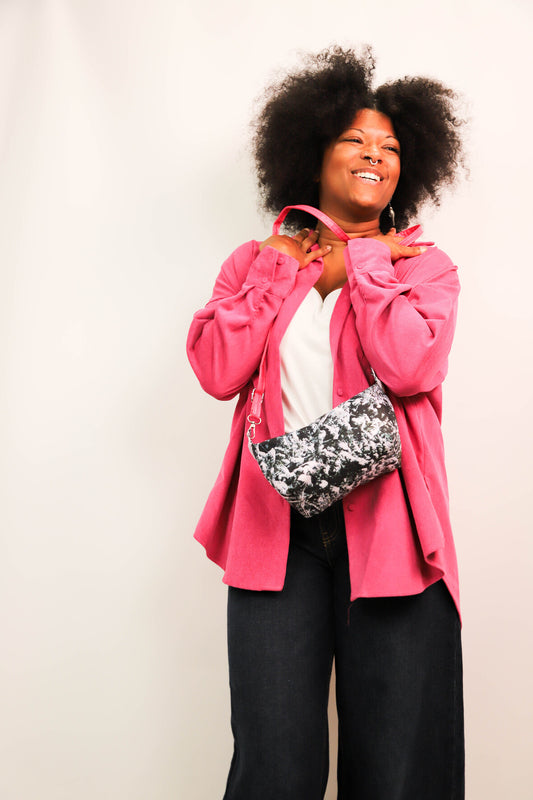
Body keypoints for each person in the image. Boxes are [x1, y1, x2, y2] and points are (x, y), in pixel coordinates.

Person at [186, 45, 465, 800]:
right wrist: (281, 264)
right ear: (312, 153)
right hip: (275, 532)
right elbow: (216, 368)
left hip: (395, 534)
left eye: (390, 147)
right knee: (273, 766)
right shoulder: (256, 262)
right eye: (354, 139)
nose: (375, 155)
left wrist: (367, 263)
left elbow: (410, 368)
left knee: (398, 770)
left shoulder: (421, 266)